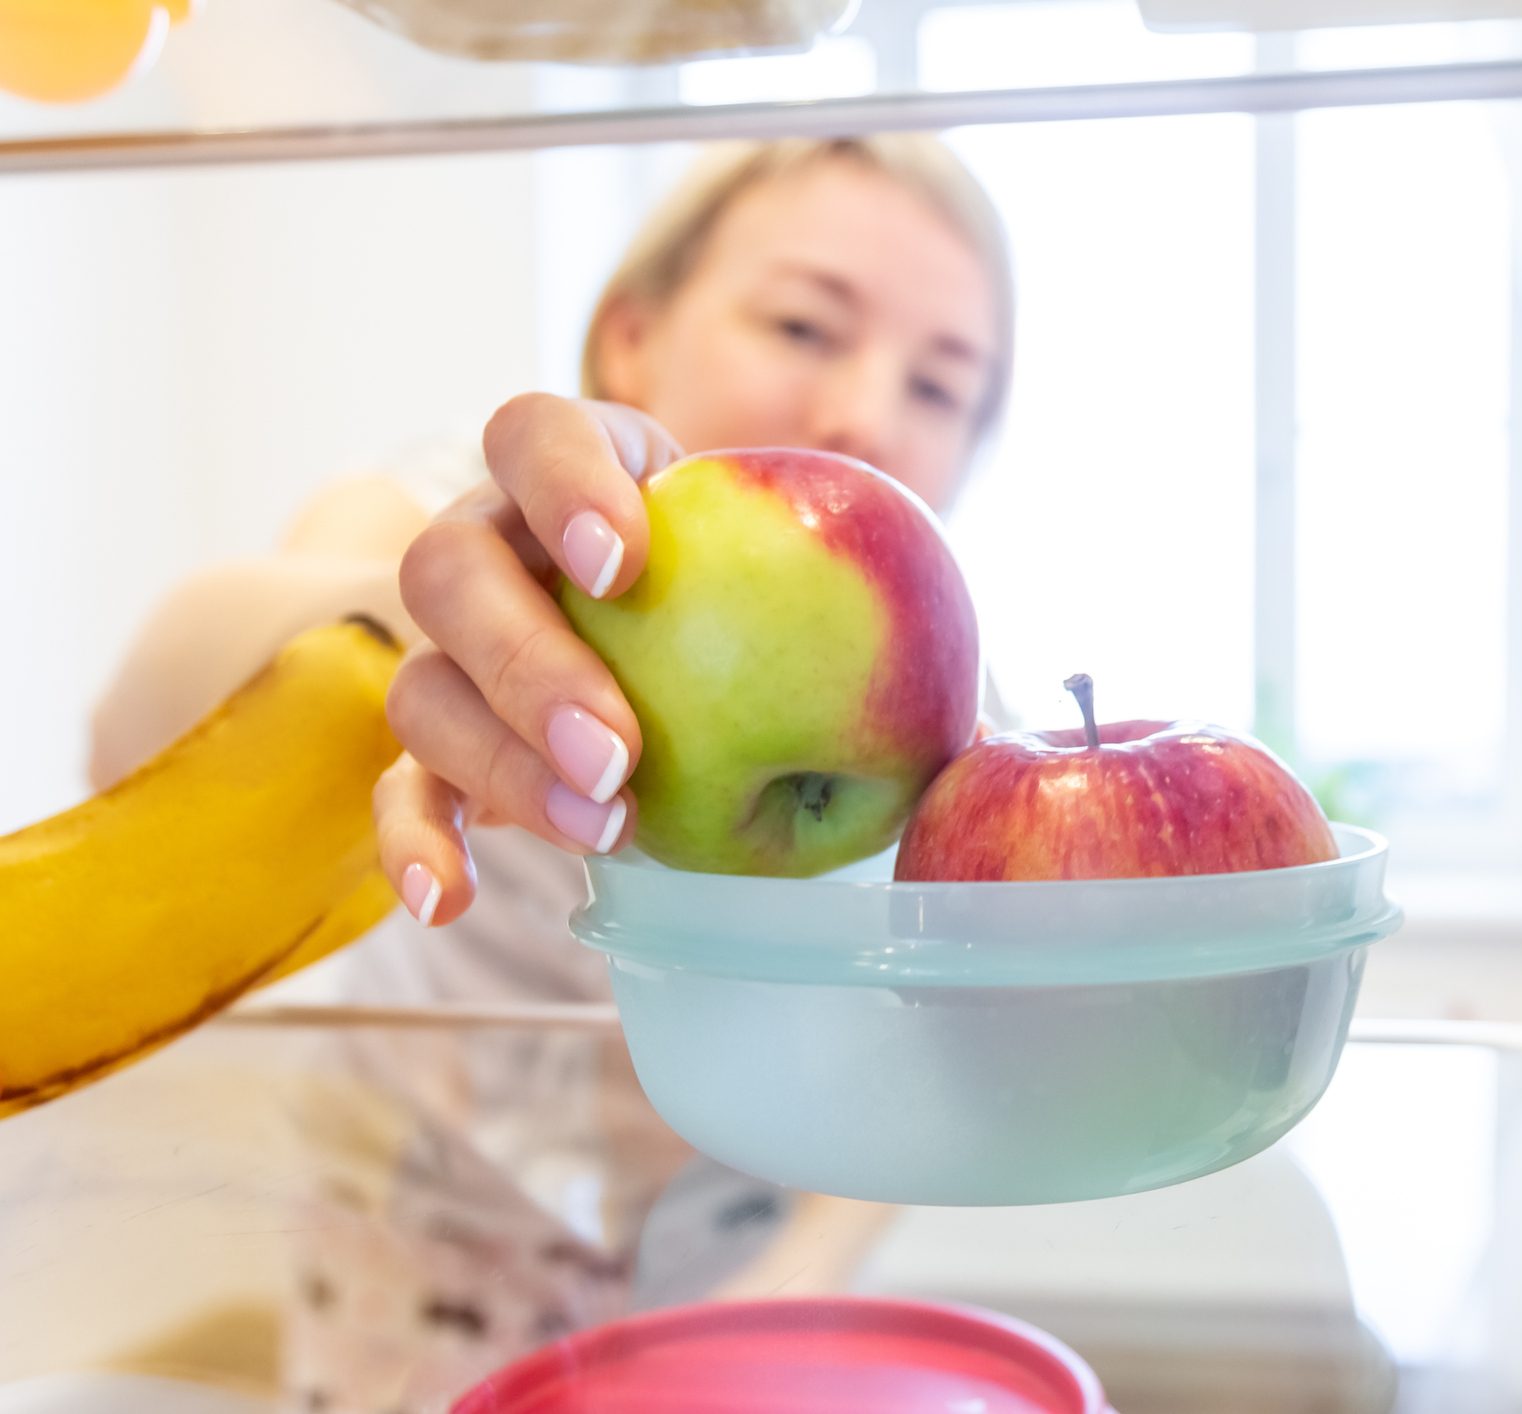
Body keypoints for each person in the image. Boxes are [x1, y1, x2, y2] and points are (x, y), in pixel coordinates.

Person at [88, 134, 1015, 1406]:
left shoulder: (940, 705)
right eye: (804, 326)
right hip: (412, 1269)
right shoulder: (458, 523)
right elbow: (139, 726)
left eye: (941, 385)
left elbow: (928, 1061)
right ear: (629, 338)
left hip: (721, 1282)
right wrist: (429, 623)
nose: (866, 410)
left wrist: (765, 1315)